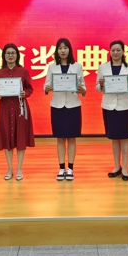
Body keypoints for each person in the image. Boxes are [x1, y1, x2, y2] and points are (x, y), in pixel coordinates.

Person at [44, 38, 86, 181]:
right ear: (57, 51)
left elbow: (83, 87)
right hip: (57, 106)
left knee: (72, 139)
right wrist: (47, 88)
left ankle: (70, 169)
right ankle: (61, 168)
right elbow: (46, 85)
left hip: (73, 106)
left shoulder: (77, 66)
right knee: (60, 138)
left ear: (70, 50)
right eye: (60, 48)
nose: (63, 50)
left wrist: (82, 90)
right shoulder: (52, 67)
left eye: (65, 48)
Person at [96, 40, 128, 181]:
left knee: (124, 138)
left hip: (125, 106)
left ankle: (125, 168)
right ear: (110, 52)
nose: (115, 53)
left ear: (123, 52)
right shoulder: (103, 67)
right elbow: (97, 88)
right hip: (109, 106)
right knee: (114, 138)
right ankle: (116, 166)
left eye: (118, 50)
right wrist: (101, 84)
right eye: (113, 50)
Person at [0, 43, 35, 181]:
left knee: (20, 137)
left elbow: (29, 88)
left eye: (13, 53)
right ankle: (10, 168)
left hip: (20, 108)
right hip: (5, 108)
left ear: (17, 55)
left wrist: (25, 93)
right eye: (8, 53)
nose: (10, 55)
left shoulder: (23, 71)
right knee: (7, 138)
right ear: (4, 56)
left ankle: (19, 168)